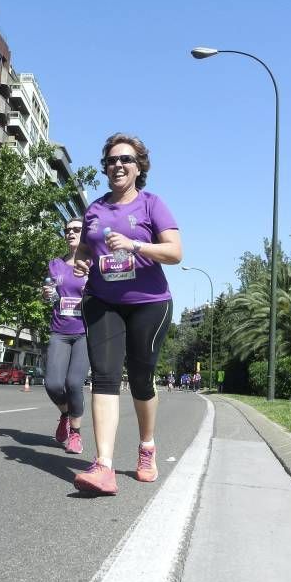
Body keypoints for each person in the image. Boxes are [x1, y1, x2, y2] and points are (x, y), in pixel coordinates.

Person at [72, 133, 182, 495]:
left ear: (139, 167)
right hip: (103, 300)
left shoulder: (152, 205)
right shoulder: (95, 208)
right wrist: (81, 264)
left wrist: (135, 244)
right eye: (111, 160)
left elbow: (175, 252)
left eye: (126, 160)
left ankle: (147, 446)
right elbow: (85, 250)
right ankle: (103, 465)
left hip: (149, 302)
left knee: (140, 377)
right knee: (104, 376)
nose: (118, 165)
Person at [42, 217, 89, 454]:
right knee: (52, 384)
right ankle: (65, 414)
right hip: (60, 330)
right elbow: (50, 296)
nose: (70, 233)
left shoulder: (93, 263)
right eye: (67, 230)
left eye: (76, 229)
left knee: (73, 383)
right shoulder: (55, 265)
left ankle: (76, 434)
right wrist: (47, 293)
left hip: (85, 332)